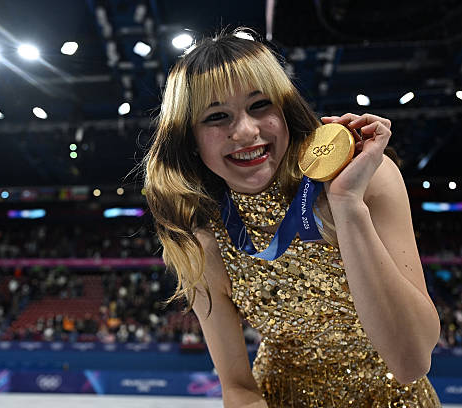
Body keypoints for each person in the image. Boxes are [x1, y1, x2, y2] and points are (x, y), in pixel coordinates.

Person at [144, 27, 441, 407]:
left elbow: (411, 362)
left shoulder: (368, 178)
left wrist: (348, 204)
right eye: (217, 117)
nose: (246, 131)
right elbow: (237, 387)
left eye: (260, 105)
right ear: (188, 138)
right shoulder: (201, 235)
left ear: (285, 109)